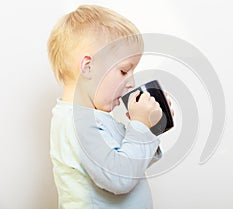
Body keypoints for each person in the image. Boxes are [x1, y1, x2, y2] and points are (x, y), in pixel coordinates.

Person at [47, 4, 173, 209]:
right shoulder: (77, 123)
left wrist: (150, 128)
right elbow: (119, 177)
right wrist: (140, 128)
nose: (131, 82)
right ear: (88, 67)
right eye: (124, 71)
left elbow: (132, 165)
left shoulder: (92, 118)